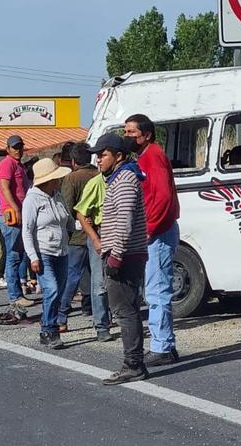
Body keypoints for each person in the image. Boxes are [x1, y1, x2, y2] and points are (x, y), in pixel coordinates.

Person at [89, 133, 149, 384]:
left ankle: (132, 365)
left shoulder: (124, 180)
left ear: (119, 156)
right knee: (129, 310)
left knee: (125, 312)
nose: (98, 159)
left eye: (102, 154)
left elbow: (124, 222)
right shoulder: (120, 177)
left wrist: (115, 257)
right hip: (125, 254)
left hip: (123, 256)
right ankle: (134, 362)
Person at [124, 113, 181, 367]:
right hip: (158, 230)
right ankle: (164, 342)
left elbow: (163, 197)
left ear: (146, 135)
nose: (128, 138)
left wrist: (149, 229)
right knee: (155, 289)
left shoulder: (153, 157)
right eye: (125, 133)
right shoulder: (146, 156)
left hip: (158, 233)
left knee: (158, 291)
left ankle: (162, 347)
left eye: (132, 133)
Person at [58, 142, 112, 339]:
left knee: (73, 277)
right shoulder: (99, 176)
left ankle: (62, 317)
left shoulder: (72, 178)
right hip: (98, 233)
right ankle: (100, 316)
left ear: (73, 161)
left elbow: (66, 207)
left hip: (79, 235)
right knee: (99, 279)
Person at [22, 158, 72, 349]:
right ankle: (50, 329)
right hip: (44, 252)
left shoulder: (57, 196)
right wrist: (33, 257)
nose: (59, 181)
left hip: (62, 251)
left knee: (58, 292)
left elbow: (66, 221)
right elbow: (27, 231)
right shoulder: (32, 199)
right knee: (51, 290)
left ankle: (47, 327)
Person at [0, 134, 34, 310]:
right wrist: (16, 208)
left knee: (19, 255)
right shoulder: (7, 164)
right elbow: (4, 187)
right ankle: (15, 295)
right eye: (14, 147)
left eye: (20, 146)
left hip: (20, 214)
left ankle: (18, 293)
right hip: (12, 215)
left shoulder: (18, 164)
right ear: (8, 149)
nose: (18, 149)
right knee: (13, 256)